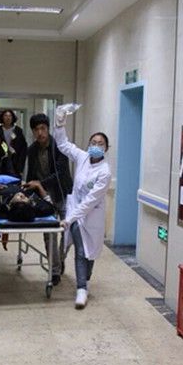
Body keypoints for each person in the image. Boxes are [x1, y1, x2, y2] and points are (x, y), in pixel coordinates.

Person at [53, 109, 112, 309]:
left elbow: (90, 201)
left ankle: (84, 279)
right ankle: (81, 290)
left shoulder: (105, 172)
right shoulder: (82, 157)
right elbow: (63, 144)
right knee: (80, 251)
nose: (96, 146)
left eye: (100, 144)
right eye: (93, 142)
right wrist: (60, 123)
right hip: (76, 214)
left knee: (89, 254)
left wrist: (69, 218)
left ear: (106, 148)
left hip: (92, 217)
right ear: (88, 144)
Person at [25, 113, 72, 284]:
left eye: (43, 128)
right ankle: (54, 271)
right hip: (44, 198)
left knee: (67, 234)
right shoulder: (31, 150)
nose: (40, 133)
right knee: (49, 235)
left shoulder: (59, 146)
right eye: (36, 130)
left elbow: (61, 173)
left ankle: (59, 259)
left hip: (63, 194)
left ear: (48, 129)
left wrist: (39, 183)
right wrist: (29, 191)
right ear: (33, 131)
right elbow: (31, 174)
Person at [0, 109, 28, 175]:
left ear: (13, 118)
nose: (8, 118)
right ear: (2, 117)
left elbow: (23, 149)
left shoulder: (18, 130)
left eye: (10, 116)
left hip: (15, 162)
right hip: (1, 161)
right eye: (5, 115)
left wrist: (21, 167)